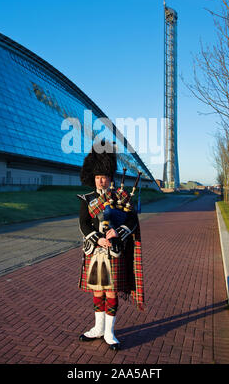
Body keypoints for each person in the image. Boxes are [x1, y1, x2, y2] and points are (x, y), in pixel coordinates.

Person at [77, 141, 144, 351]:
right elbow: (83, 223)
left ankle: (109, 332)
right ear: (93, 178)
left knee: (112, 292)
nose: (100, 181)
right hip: (96, 250)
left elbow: (132, 221)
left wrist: (118, 231)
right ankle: (98, 328)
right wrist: (97, 238)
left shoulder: (121, 197)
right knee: (97, 291)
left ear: (110, 177)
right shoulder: (87, 199)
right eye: (97, 177)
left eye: (103, 177)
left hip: (114, 251)